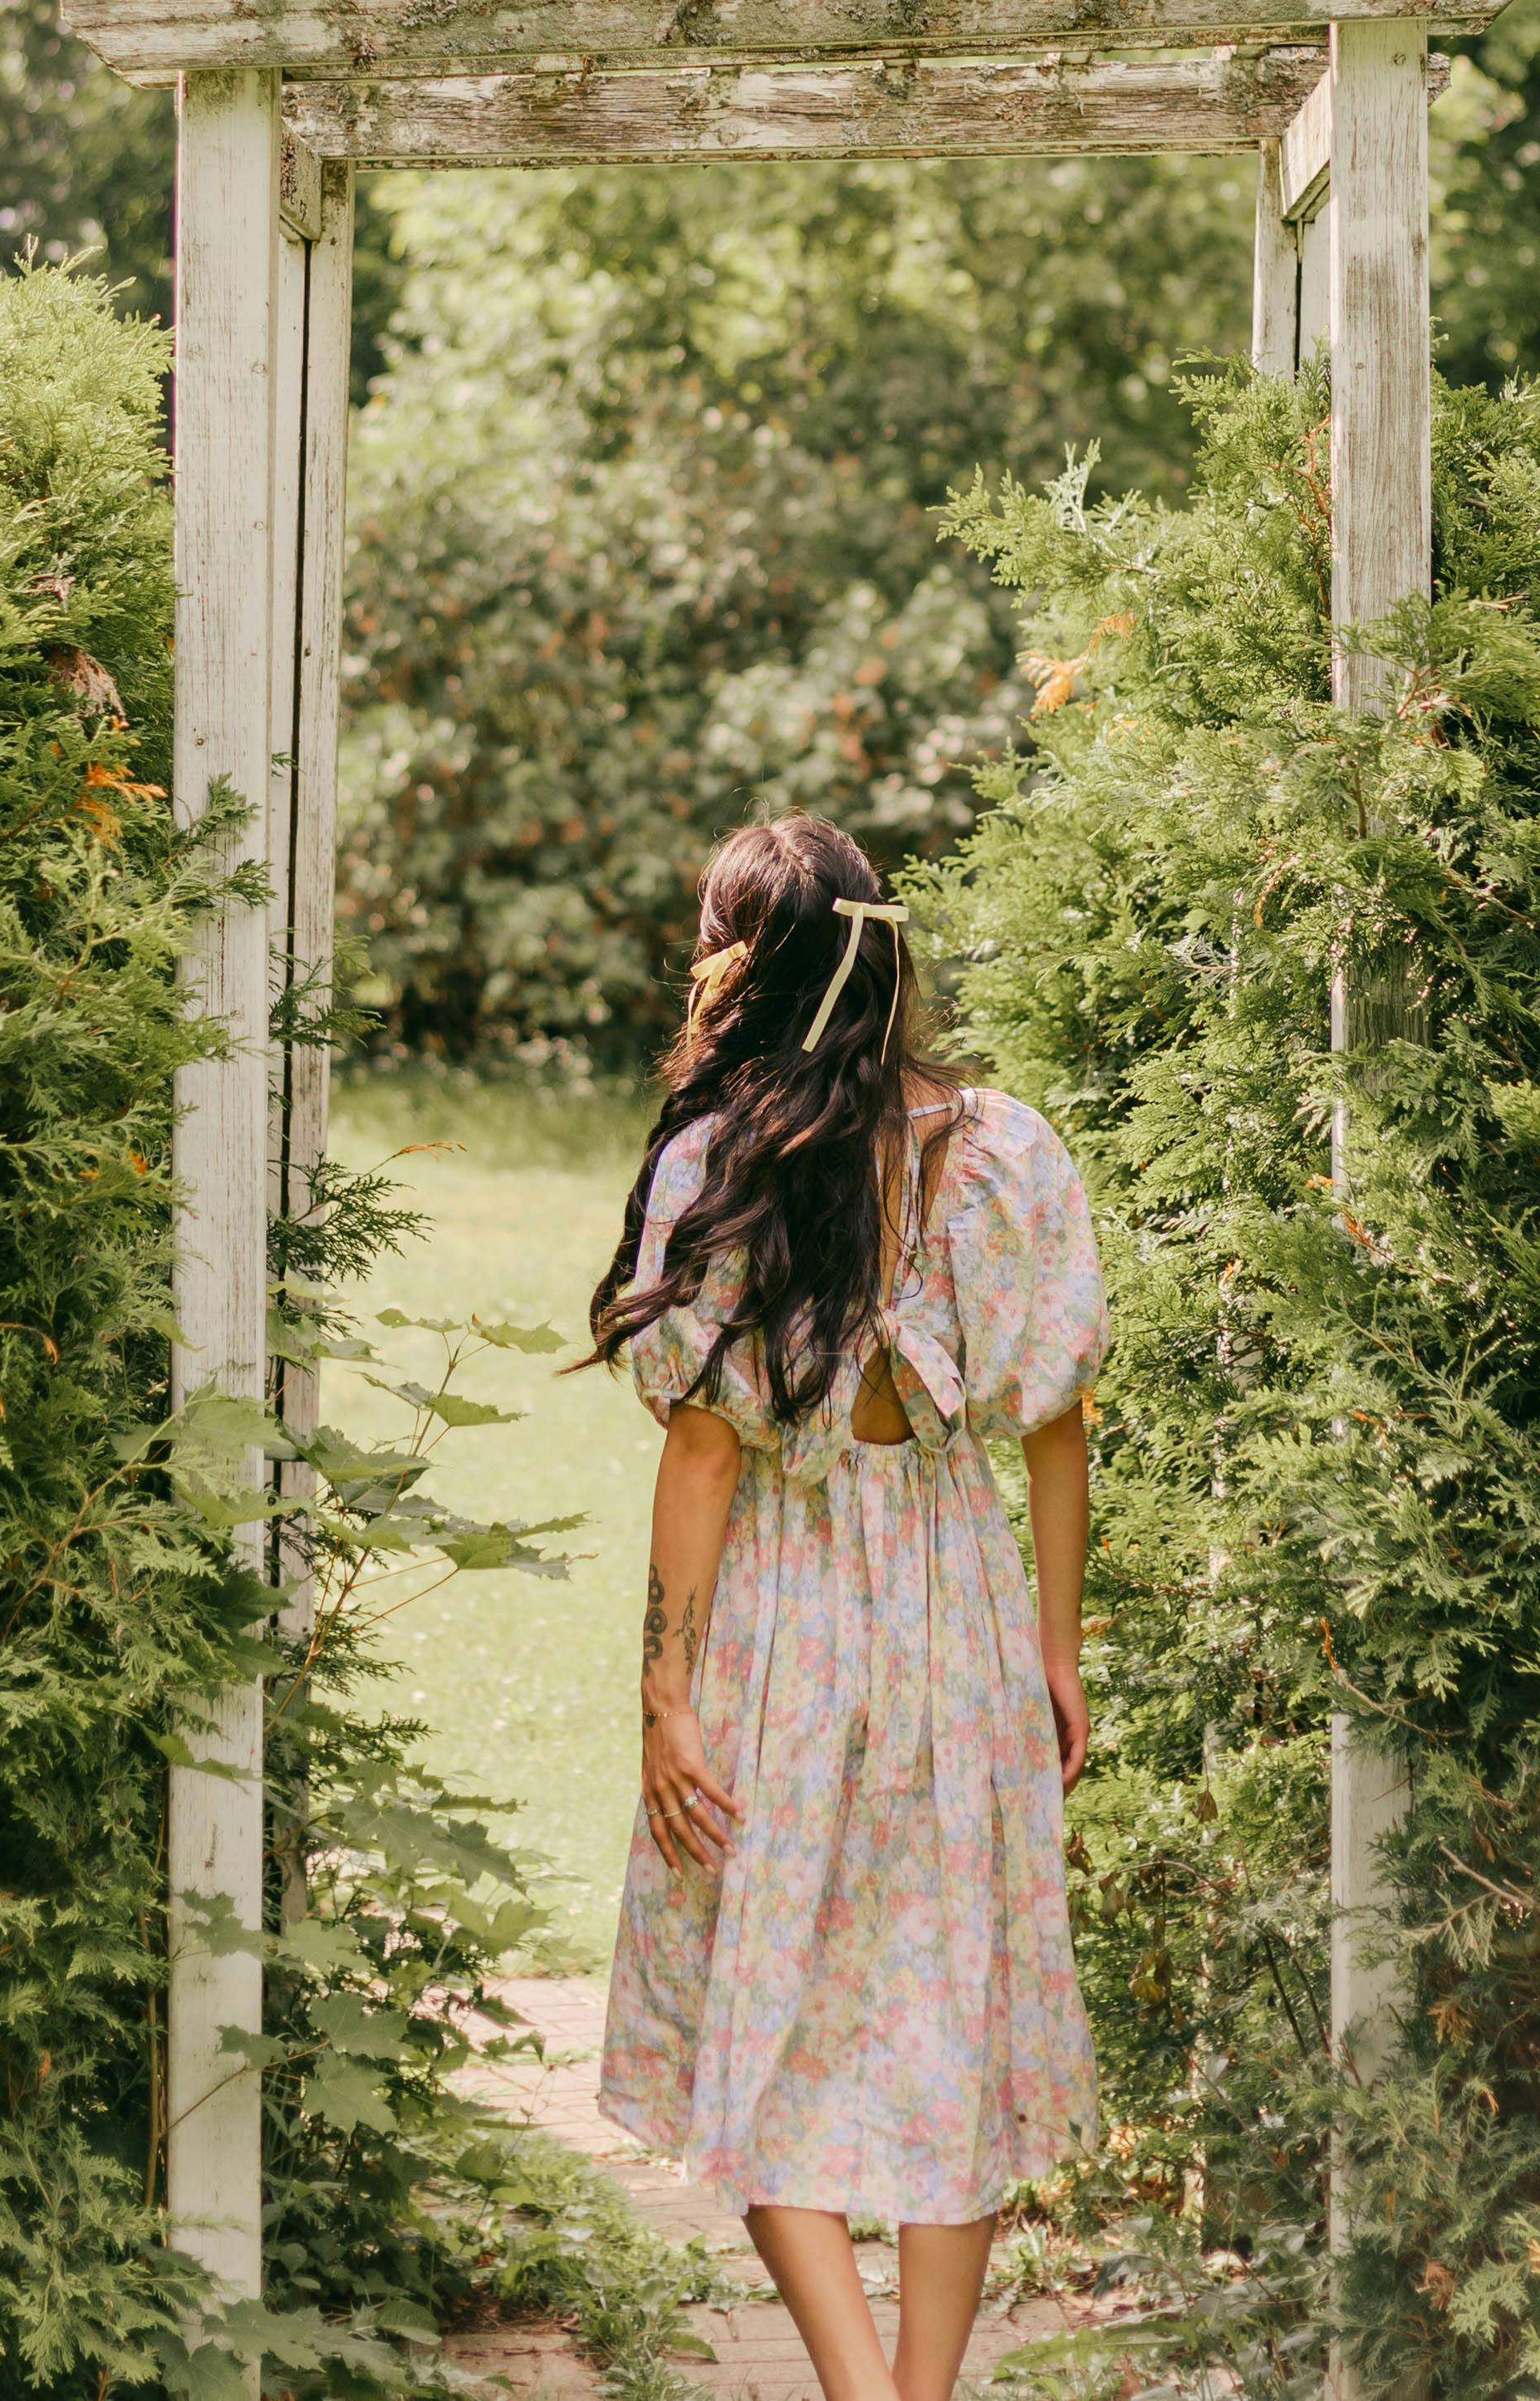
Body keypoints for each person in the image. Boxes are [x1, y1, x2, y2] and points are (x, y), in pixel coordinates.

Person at [585, 812, 1104, 2401]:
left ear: (756, 964)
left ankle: (860, 2394)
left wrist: (666, 1696)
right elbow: (1055, 1419)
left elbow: (702, 1455)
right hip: (957, 1612)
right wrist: (1055, 1654)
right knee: (960, 2001)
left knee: (759, 1985)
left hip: (784, 1621)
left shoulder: (721, 1162)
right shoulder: (1005, 1150)